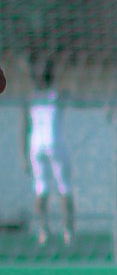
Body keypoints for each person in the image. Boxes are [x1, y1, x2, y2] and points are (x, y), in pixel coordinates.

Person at [24, 58, 75, 246]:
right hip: (55, 143)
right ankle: (68, 231)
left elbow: (25, 127)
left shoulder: (31, 98)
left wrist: (23, 155)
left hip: (36, 145)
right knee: (65, 187)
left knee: (41, 188)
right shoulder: (58, 95)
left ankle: (43, 231)